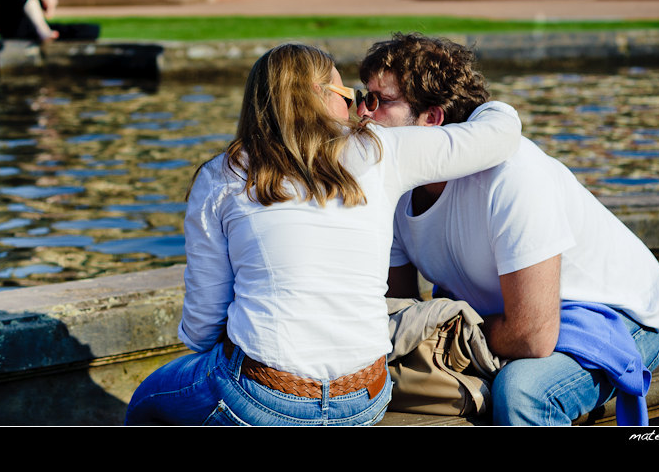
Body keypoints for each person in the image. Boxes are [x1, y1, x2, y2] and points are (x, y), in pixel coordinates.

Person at [124, 43, 522, 426]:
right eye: (347, 96)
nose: (356, 108)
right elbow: (500, 134)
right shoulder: (383, 151)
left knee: (146, 401)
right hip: (364, 397)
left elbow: (202, 323)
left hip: (263, 398)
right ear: (319, 96)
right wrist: (483, 104)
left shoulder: (221, 176)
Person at [358, 33, 659, 426]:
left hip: (618, 315)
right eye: (361, 98)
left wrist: (455, 333)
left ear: (432, 119)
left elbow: (533, 337)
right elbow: (399, 313)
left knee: (521, 392)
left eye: (377, 101)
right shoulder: (387, 184)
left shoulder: (512, 175)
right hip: (506, 319)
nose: (363, 114)